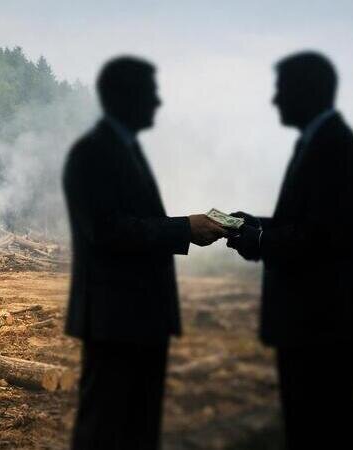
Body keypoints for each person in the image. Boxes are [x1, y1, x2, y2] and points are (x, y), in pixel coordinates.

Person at [63, 56, 227, 449]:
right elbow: (108, 230)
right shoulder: (93, 153)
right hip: (115, 323)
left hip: (137, 320)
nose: (157, 102)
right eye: (151, 93)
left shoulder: (122, 149)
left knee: (137, 430)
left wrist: (185, 230)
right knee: (106, 431)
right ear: (125, 97)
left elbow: (131, 223)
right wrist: (185, 228)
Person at [226, 51, 353, 450]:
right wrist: (255, 225)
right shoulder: (324, 143)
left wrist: (259, 239)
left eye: (282, 90)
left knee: (322, 428)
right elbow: (307, 223)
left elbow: (322, 238)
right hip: (316, 320)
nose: (275, 100)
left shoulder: (335, 148)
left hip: (319, 322)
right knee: (317, 425)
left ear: (306, 92)